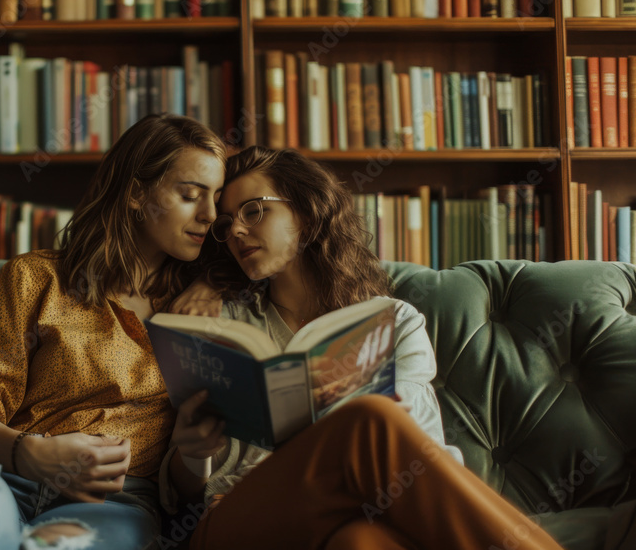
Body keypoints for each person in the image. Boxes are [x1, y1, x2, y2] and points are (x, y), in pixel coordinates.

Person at [159, 145, 566, 550]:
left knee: (360, 540)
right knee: (369, 417)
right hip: (236, 518)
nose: (236, 231)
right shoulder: (222, 325)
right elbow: (177, 491)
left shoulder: (394, 321)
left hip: (355, 510)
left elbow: (423, 447)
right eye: (227, 223)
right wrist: (193, 454)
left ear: (306, 211)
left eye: (253, 211)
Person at [0, 114, 226, 550]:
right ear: (138, 194)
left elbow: (185, 482)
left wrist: (214, 280)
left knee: (64, 545)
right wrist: (26, 452)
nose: (210, 215)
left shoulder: (200, 313)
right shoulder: (35, 278)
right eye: (190, 195)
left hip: (112, 504)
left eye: (216, 198)